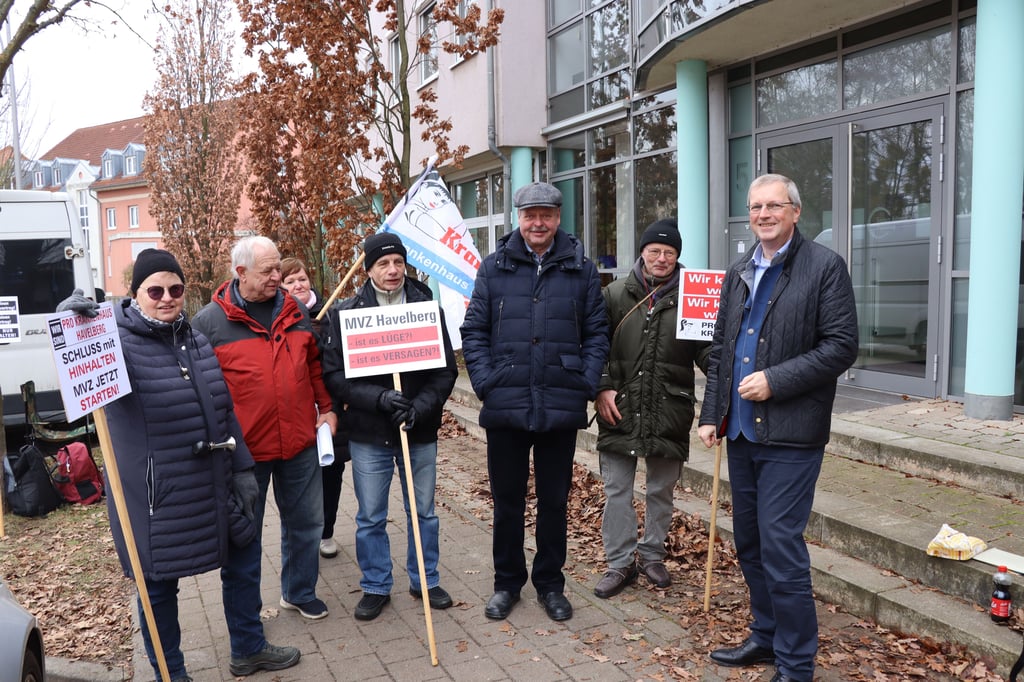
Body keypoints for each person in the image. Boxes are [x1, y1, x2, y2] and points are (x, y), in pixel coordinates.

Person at [58, 249, 300, 680]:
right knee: (157, 589)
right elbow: (77, 384)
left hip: (213, 484)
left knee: (243, 558)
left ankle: (248, 648)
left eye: (176, 289)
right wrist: (75, 329)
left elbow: (224, 411)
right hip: (156, 497)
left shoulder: (195, 339)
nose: (167, 298)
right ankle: (171, 673)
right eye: (155, 290)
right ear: (136, 295)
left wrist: (242, 467)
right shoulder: (114, 341)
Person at [697, 174, 858, 682]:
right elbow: (722, 350)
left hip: (791, 435)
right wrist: (711, 414)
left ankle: (796, 662)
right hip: (742, 433)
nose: (763, 214)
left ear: (795, 211)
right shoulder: (740, 268)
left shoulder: (824, 267)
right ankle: (766, 636)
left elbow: (840, 346)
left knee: (781, 546)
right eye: (755, 207)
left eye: (773, 206)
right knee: (749, 542)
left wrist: (776, 381)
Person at [461, 182, 609, 622]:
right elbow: (474, 331)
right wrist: (486, 380)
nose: (538, 223)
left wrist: (584, 380)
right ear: (518, 218)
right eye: (530, 216)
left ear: (558, 217)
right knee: (507, 501)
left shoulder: (580, 268)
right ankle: (507, 584)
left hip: (560, 402)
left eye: (546, 215)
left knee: (553, 501)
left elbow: (598, 332)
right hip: (506, 401)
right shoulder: (494, 267)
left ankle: (550, 584)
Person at [192, 236, 337, 621]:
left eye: (279, 269)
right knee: (246, 535)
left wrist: (327, 409)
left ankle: (300, 591)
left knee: (307, 522)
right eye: (269, 271)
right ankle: (246, 614)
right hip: (244, 451)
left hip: (300, 440)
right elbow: (198, 389)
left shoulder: (293, 310)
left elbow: (313, 366)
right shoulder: (208, 323)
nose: (279, 277)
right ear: (240, 273)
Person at [320, 232, 458, 621]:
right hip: (369, 433)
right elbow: (335, 376)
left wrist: (420, 407)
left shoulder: (426, 307)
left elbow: (445, 371)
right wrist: (378, 399)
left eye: (398, 261)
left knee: (424, 512)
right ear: (368, 270)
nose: (392, 270)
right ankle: (376, 585)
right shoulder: (346, 313)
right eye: (383, 263)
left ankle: (425, 579)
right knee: (370, 516)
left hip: (419, 429)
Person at [592, 219, 710, 599]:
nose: (662, 259)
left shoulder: (695, 296)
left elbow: (708, 351)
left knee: (661, 489)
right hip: (620, 407)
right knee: (617, 490)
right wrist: (602, 387)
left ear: (678, 257)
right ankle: (620, 562)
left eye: (670, 253)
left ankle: (652, 554)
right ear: (642, 252)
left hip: (669, 407)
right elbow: (594, 347)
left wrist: (729, 372)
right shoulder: (613, 294)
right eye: (655, 251)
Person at [280, 256, 349, 560]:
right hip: (296, 410)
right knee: (300, 475)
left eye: (302, 278)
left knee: (331, 470)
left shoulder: (331, 314)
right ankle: (300, 536)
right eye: (291, 281)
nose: (299, 285)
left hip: (330, 407)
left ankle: (327, 531)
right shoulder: (280, 319)